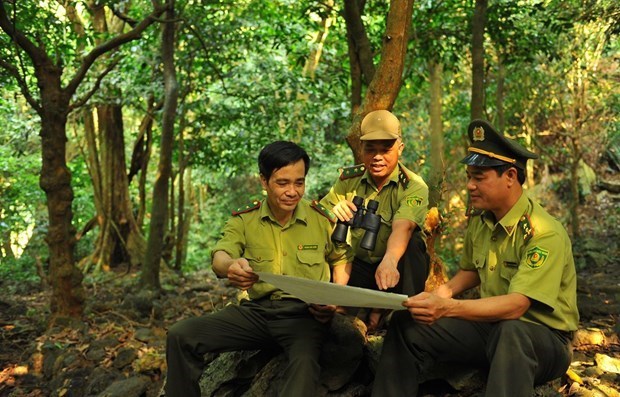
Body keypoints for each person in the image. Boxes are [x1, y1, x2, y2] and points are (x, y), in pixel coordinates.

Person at [372, 119, 579, 397]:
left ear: (510, 177)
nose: (469, 186)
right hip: (492, 329)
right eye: (469, 176)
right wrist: (440, 294)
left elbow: (517, 306)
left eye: (479, 178)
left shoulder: (543, 233)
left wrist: (448, 308)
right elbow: (471, 271)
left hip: (543, 340)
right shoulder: (482, 220)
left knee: (512, 333)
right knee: (407, 324)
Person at [164, 141, 351, 397]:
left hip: (304, 318)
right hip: (256, 315)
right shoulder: (245, 219)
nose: (292, 192)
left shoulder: (321, 219)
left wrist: (334, 300)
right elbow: (220, 255)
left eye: (299, 182)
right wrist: (231, 266)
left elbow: (340, 258)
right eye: (282, 183)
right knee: (180, 335)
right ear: (264, 181)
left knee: (304, 367)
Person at [320, 109, 430, 331]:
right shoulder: (348, 181)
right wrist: (334, 211)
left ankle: (405, 319)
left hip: (393, 269)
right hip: (357, 267)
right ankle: (344, 311)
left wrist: (389, 260)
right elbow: (318, 216)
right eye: (370, 149)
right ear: (360, 149)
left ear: (400, 148)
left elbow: (404, 226)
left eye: (386, 149)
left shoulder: (413, 186)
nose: (377, 157)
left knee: (415, 245)